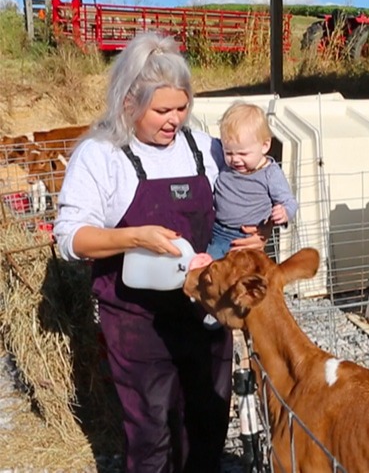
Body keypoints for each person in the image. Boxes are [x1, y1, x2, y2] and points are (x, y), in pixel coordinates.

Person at [52, 32, 273, 472]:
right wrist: (134, 237)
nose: (175, 119)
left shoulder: (206, 149)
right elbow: (69, 239)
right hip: (138, 322)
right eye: (162, 110)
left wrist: (255, 233)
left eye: (182, 106)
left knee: (207, 421)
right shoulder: (102, 156)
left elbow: (240, 204)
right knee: (151, 430)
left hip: (206, 310)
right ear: (129, 103)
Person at [207, 101, 297, 261]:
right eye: (229, 152)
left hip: (245, 237)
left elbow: (289, 201)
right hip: (216, 231)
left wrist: (283, 212)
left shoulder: (270, 173)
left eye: (243, 153)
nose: (235, 159)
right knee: (211, 274)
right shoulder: (226, 164)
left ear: (264, 146)